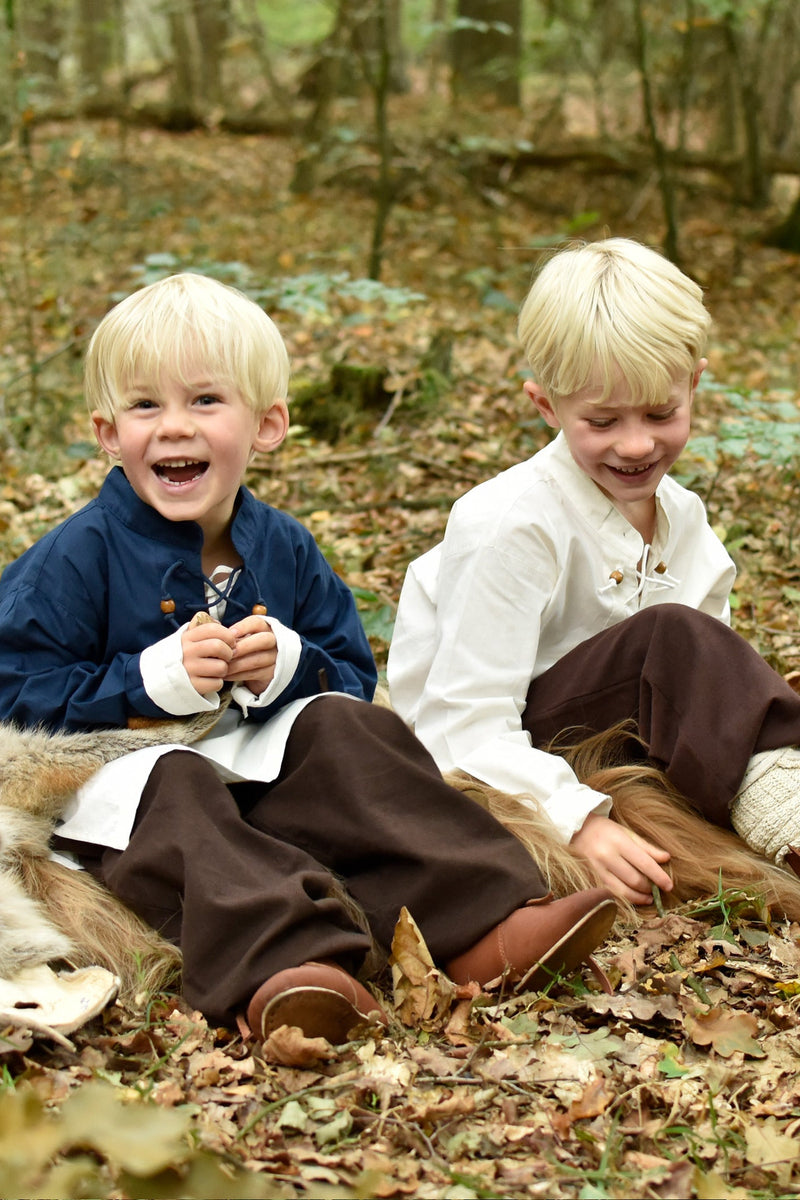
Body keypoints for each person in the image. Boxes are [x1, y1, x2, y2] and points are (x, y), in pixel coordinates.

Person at [0, 272, 617, 1044]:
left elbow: (351, 673)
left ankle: (484, 918)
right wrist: (144, 681)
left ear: (267, 425)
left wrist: (289, 667)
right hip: (124, 784)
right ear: (108, 433)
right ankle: (292, 964)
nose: (174, 428)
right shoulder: (77, 555)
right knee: (178, 784)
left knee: (350, 729)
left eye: (205, 400)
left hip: (257, 759)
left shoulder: (284, 545)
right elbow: (15, 693)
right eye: (145, 405)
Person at [388, 237, 800, 909]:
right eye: (602, 421)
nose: (636, 444)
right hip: (517, 751)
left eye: (661, 413)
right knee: (673, 635)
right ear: (546, 406)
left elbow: (707, 693)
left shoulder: (685, 519)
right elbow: (463, 723)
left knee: (699, 648)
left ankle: (776, 800)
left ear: (694, 385)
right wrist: (577, 820)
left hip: (633, 747)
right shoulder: (510, 522)